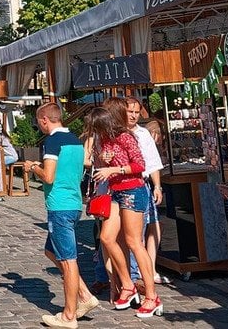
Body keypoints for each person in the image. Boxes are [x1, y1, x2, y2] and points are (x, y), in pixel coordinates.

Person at [24, 103, 99, 328]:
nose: (39, 126)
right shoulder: (75, 141)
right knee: (51, 251)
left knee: (68, 260)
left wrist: (32, 167)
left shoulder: (52, 142)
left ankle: (68, 315)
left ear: (45, 120)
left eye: (39, 122)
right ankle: (85, 295)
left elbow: (48, 177)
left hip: (59, 205)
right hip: (74, 202)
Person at [85, 103, 159, 317]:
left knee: (134, 242)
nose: (95, 134)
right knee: (107, 238)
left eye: (97, 129)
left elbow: (140, 165)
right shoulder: (104, 140)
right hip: (115, 192)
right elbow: (102, 162)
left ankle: (151, 295)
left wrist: (114, 168)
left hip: (133, 191)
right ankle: (127, 284)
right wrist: (101, 162)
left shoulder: (126, 137)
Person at [126, 97, 167, 286]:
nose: (133, 115)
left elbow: (153, 163)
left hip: (142, 186)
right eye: (130, 112)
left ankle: (142, 273)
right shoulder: (117, 132)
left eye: (136, 112)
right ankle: (133, 275)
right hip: (122, 188)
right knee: (132, 235)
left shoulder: (143, 134)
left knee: (145, 229)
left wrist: (157, 186)